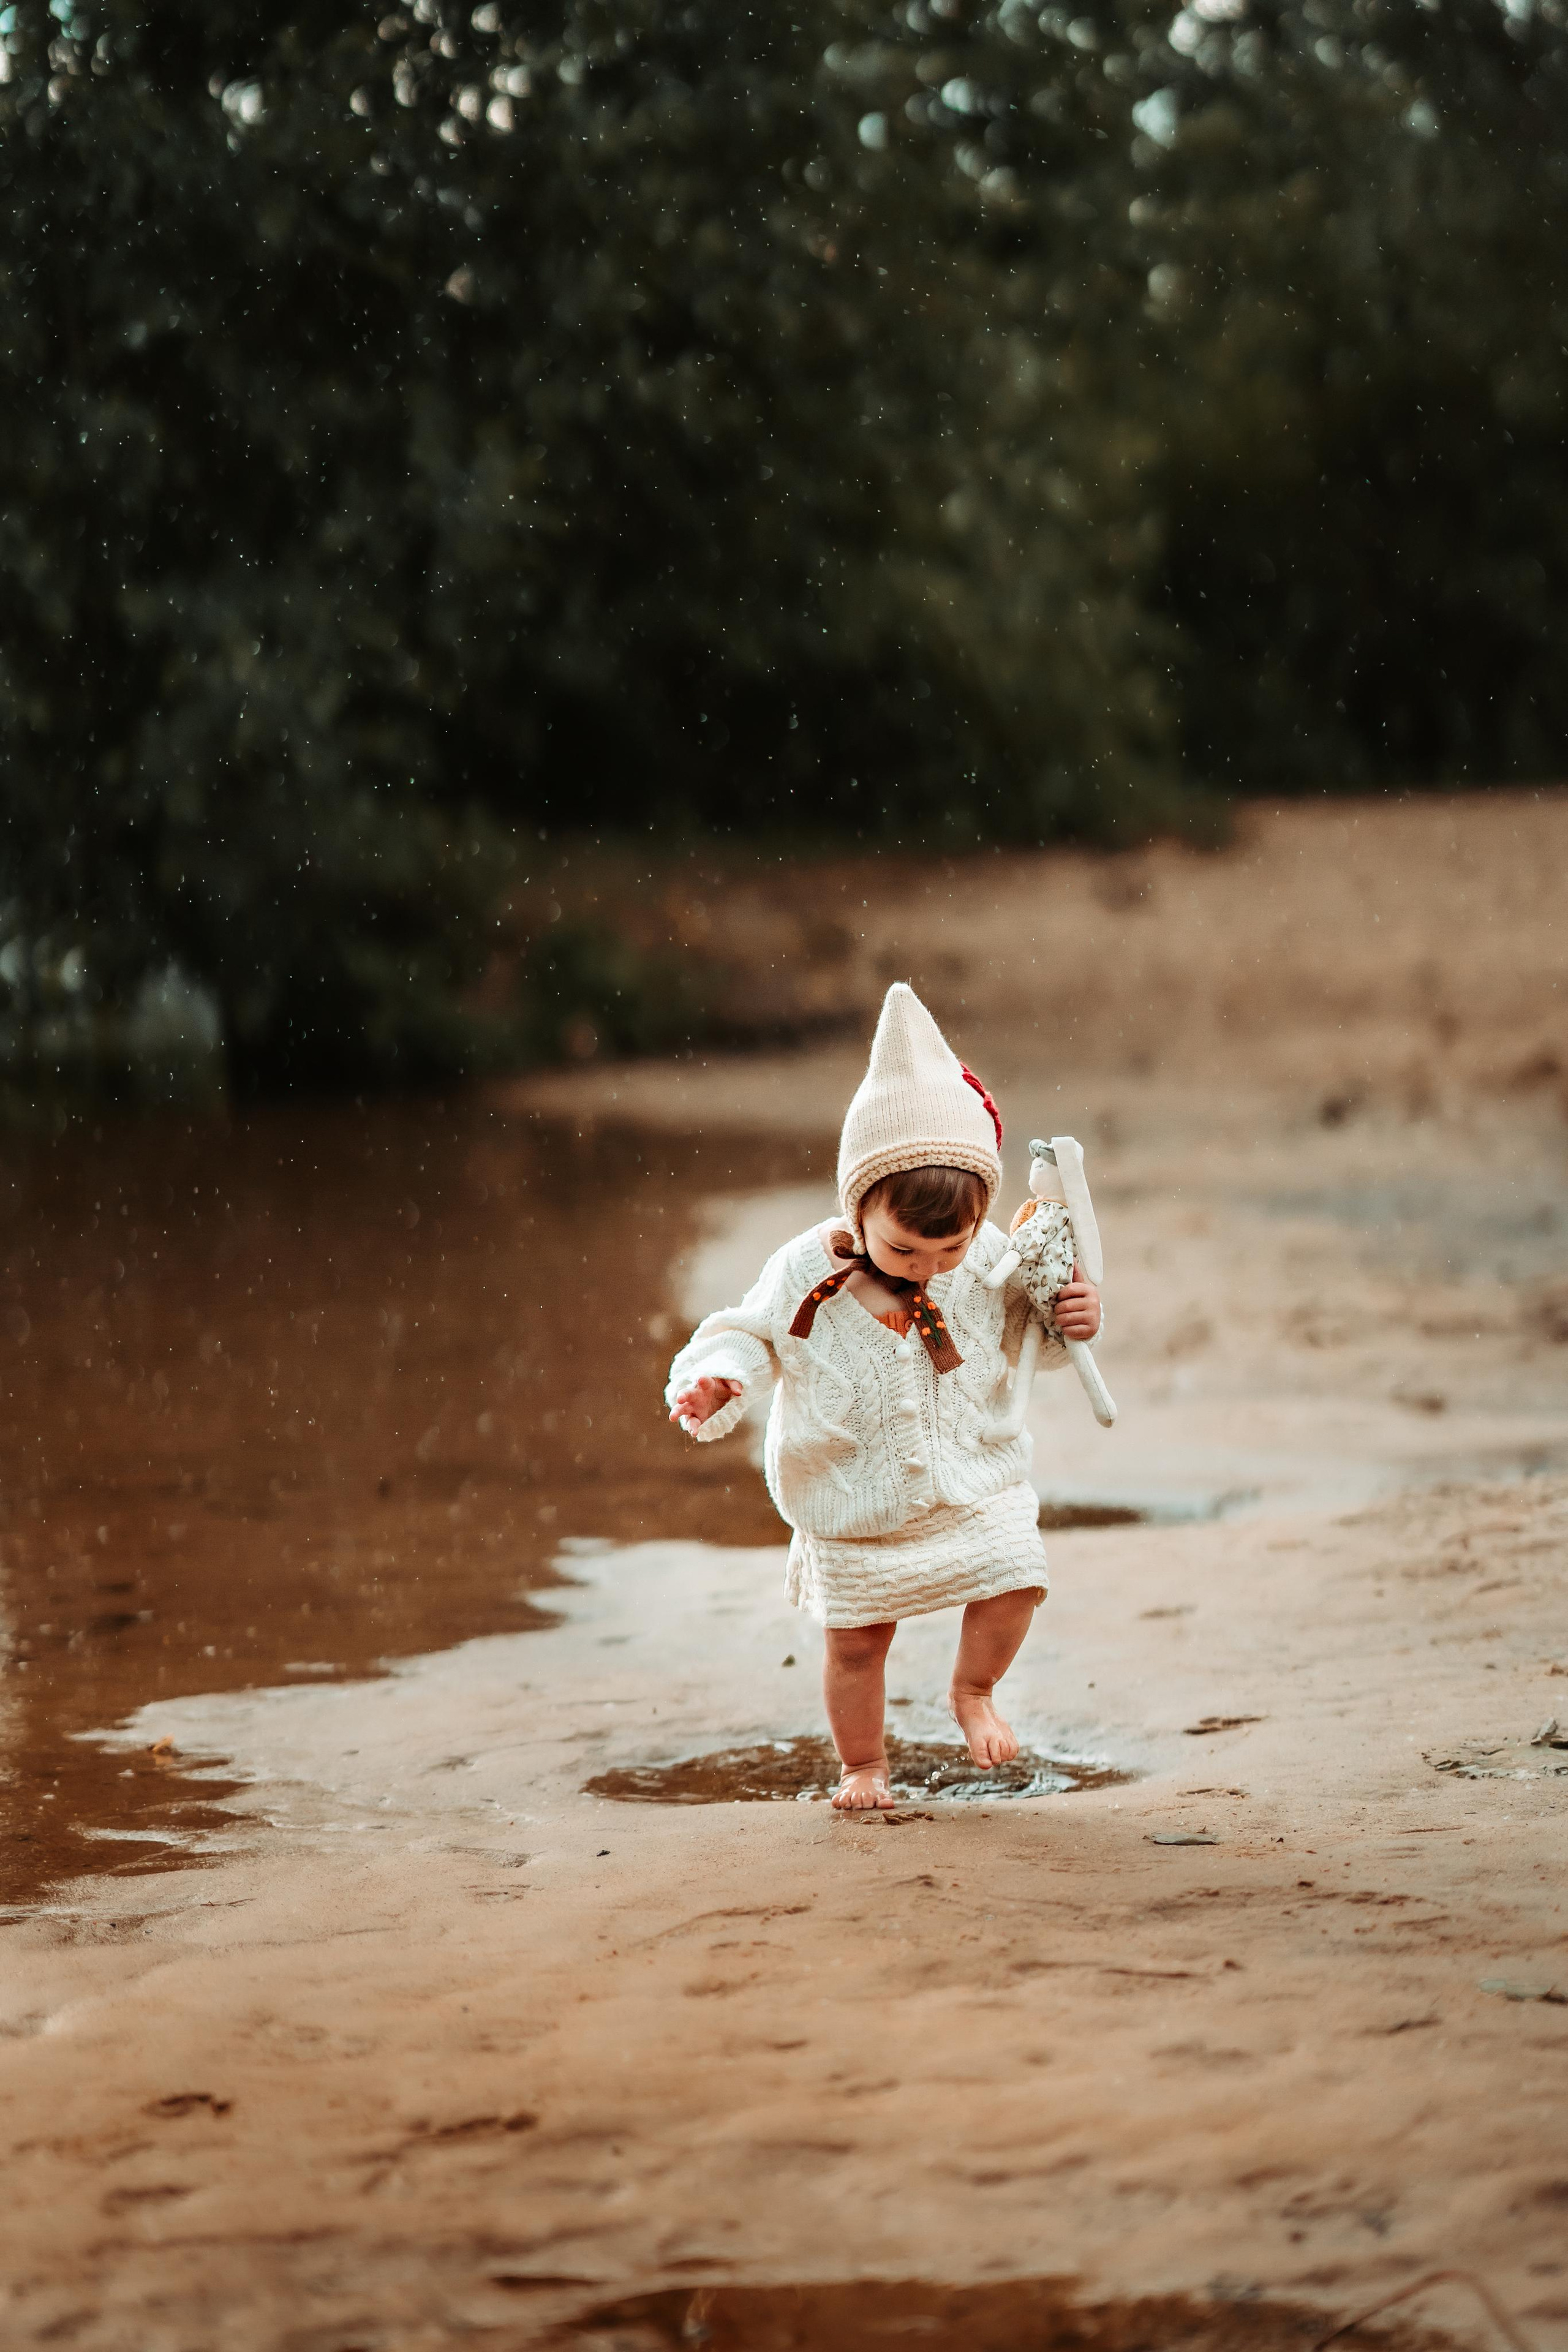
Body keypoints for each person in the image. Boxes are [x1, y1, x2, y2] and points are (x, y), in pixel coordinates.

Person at [665, 983, 1102, 1812]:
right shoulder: (807, 1274)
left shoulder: (985, 1257)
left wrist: (1072, 1315)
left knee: (1015, 1579)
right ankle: (862, 1765)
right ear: (857, 1206)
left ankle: (973, 1692)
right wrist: (720, 1377)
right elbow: (750, 1332)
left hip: (971, 1478)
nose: (928, 1268)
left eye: (951, 1248)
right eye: (904, 1248)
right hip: (853, 1493)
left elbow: (1029, 1330)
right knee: (859, 1644)